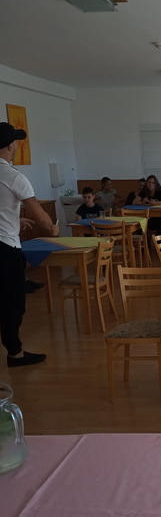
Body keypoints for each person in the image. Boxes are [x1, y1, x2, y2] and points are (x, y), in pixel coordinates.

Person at [0, 122, 59, 366]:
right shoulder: (14, 176)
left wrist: (15, 219)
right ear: (10, 146)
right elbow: (41, 216)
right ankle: (15, 353)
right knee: (12, 302)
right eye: (15, 141)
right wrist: (53, 229)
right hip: (5, 248)